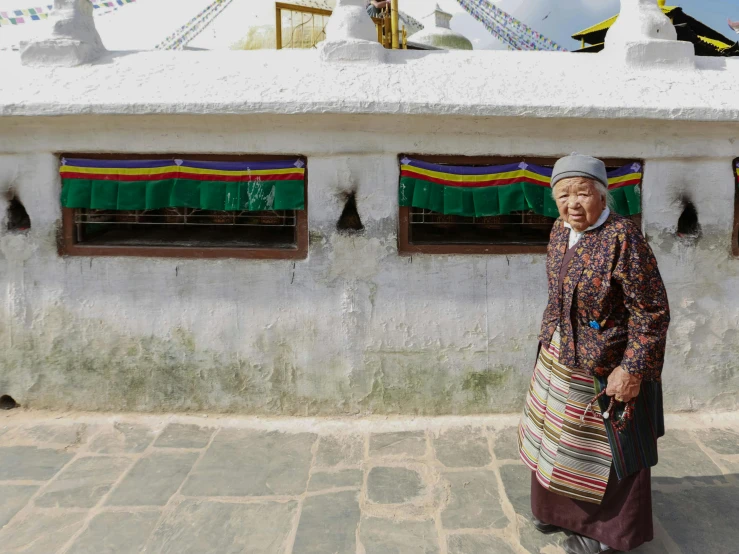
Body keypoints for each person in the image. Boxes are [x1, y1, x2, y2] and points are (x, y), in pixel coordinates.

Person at [518, 154, 670, 554]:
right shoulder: (558, 230)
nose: (572, 204)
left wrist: (631, 369)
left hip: (608, 365)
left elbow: (652, 311)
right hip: (560, 352)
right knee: (557, 438)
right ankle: (556, 512)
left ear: (603, 197)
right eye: (563, 195)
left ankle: (606, 534)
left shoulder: (624, 239)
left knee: (604, 449)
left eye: (583, 193)